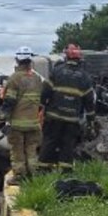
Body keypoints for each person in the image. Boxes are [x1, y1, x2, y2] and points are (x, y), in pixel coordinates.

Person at [39, 44, 95, 172]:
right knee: (67, 145)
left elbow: (45, 92)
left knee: (49, 142)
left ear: (66, 56)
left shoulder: (56, 71)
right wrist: (91, 122)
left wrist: (40, 108)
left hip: (54, 117)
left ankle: (42, 171)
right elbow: (89, 102)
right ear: (79, 59)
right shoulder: (85, 77)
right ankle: (65, 171)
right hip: (72, 119)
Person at [0, 47, 43, 185]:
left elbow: (9, 101)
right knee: (31, 150)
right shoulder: (37, 78)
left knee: (17, 151)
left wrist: (5, 119)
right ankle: (34, 176)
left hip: (17, 124)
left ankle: (19, 177)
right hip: (34, 123)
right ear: (30, 61)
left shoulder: (14, 78)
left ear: (18, 60)